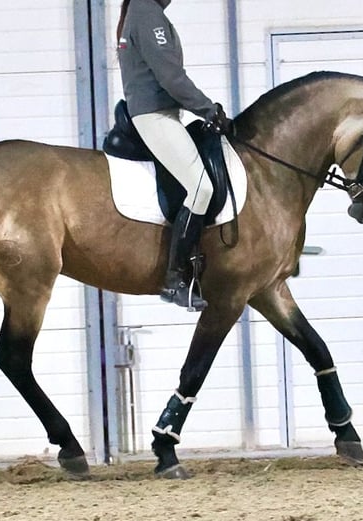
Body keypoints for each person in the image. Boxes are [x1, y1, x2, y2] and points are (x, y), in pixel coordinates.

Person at [116, 0, 232, 311]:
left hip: (164, 113)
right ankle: (176, 279)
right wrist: (210, 110)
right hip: (154, 116)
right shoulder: (146, 13)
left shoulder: (144, 11)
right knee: (201, 188)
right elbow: (171, 77)